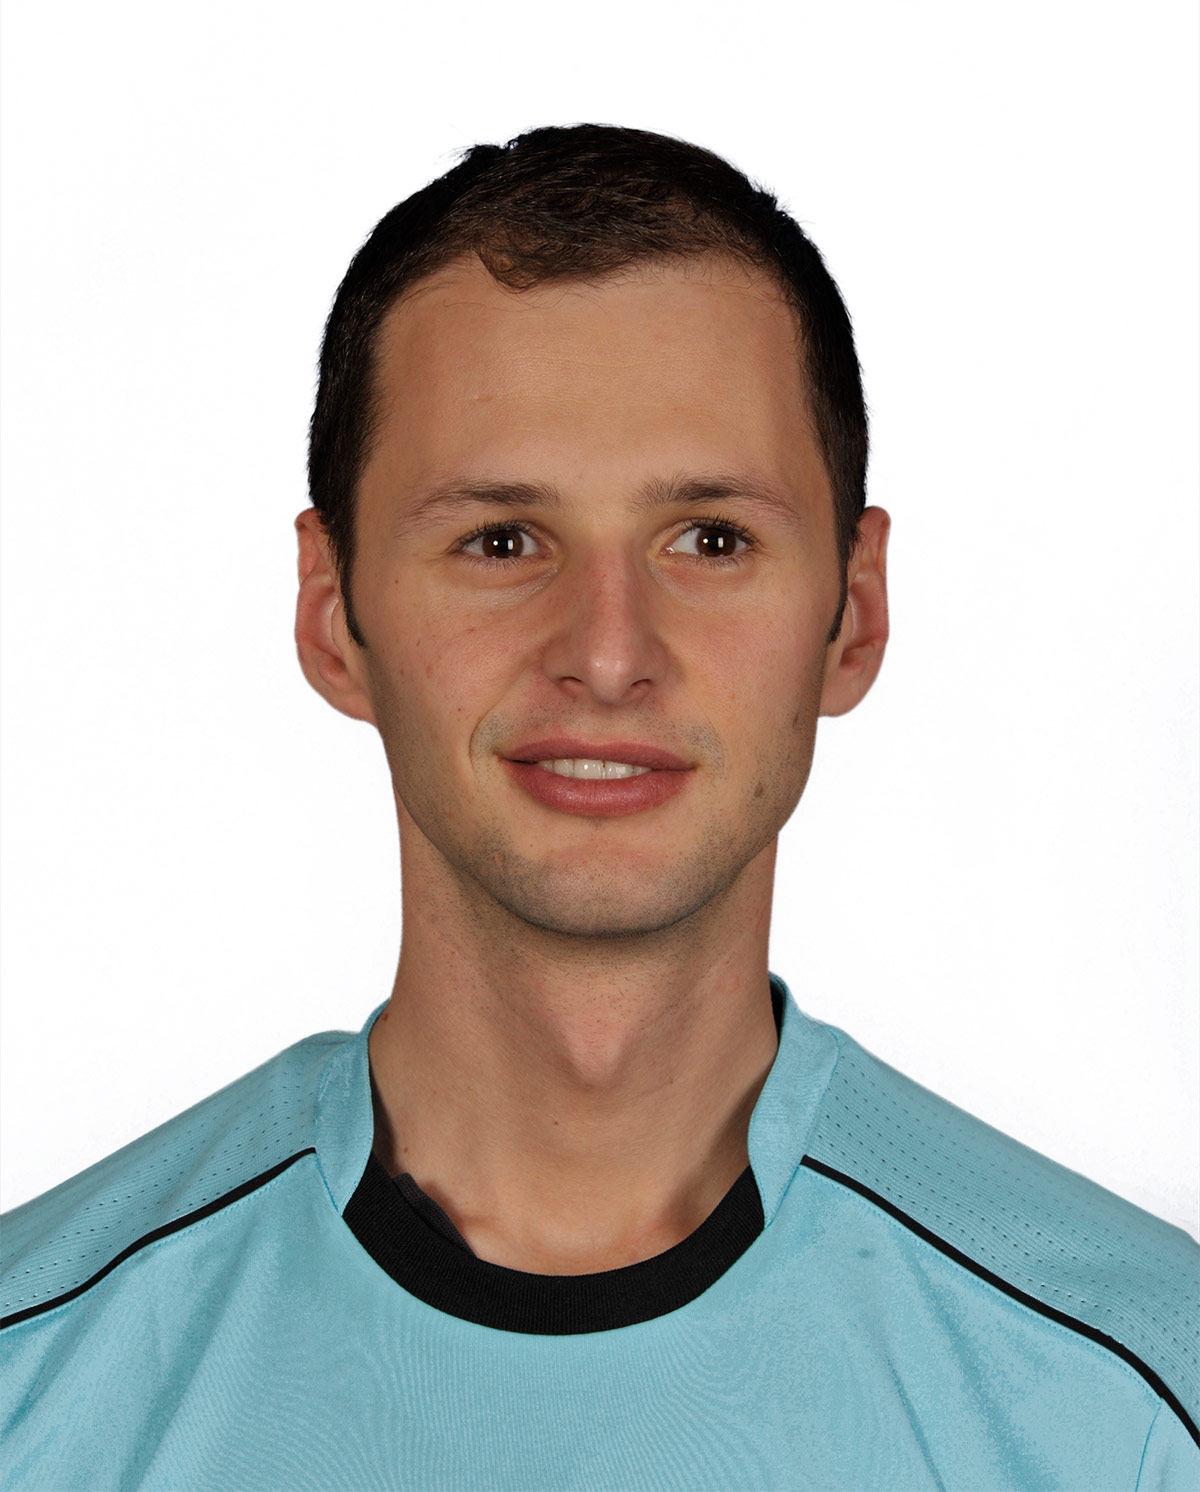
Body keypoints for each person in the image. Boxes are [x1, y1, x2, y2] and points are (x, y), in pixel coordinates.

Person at [1, 123, 1196, 1492]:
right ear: (333, 614)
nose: (610, 652)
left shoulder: (1141, 1409)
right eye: (502, 541)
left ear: (853, 613)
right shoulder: (30, 1390)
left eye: (711, 539)